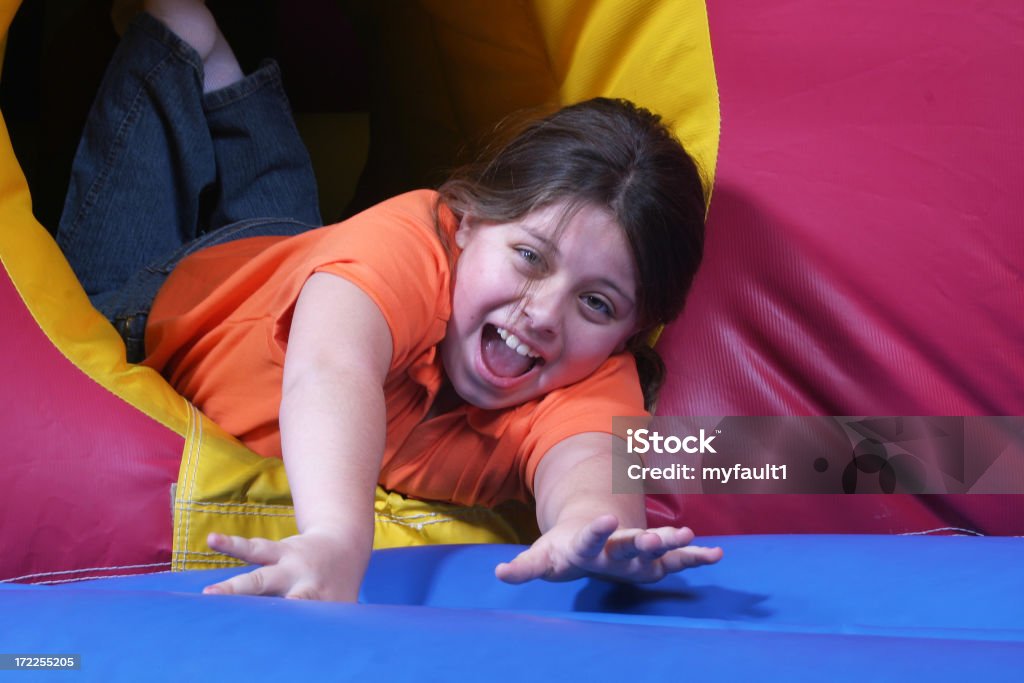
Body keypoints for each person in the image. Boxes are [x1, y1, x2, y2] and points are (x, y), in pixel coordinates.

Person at [56, 0, 723, 602]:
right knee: (116, 253)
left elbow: (585, 466)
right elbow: (332, 369)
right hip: (172, 298)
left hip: (299, 259)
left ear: (633, 330)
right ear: (467, 218)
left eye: (598, 304)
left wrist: (591, 532)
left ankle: (224, 77)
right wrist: (335, 537)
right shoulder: (414, 238)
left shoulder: (591, 377)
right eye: (529, 257)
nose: (544, 313)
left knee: (297, 231)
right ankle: (182, 43)